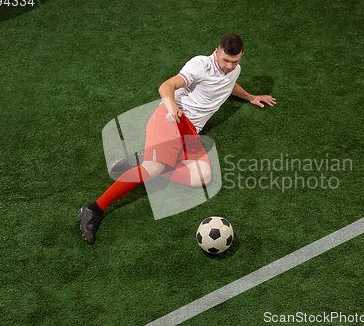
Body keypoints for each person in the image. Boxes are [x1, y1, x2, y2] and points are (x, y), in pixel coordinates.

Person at [79, 33, 276, 244]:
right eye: (225, 60)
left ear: (242, 56)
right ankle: (93, 209)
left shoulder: (235, 70)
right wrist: (172, 107)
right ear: (216, 52)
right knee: (153, 169)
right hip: (172, 118)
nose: (229, 66)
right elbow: (166, 86)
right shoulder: (200, 65)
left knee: (201, 177)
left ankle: (144, 160)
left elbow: (229, 85)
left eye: (234, 61)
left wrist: (251, 96)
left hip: (191, 131)